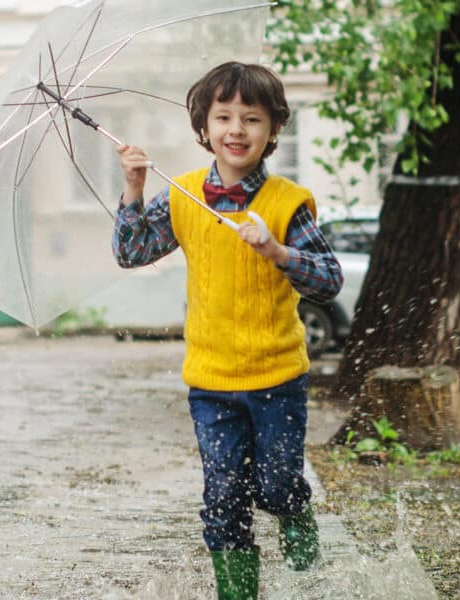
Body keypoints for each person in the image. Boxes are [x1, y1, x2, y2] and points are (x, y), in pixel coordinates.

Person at [112, 61, 343, 600]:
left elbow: (329, 279)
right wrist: (134, 188)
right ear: (204, 127)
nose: (236, 130)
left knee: (279, 487)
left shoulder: (288, 202)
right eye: (223, 117)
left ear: (273, 130)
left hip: (277, 377)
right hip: (211, 383)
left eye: (251, 119)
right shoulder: (185, 194)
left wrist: (277, 251)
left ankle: (300, 533)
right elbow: (131, 252)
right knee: (223, 499)